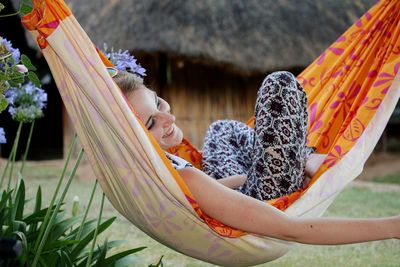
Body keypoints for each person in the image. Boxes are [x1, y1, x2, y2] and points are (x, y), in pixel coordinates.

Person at [111, 68, 400, 245]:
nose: (169, 116)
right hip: (265, 195)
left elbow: (198, 194)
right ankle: (302, 160)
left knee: (222, 129)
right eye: (151, 122)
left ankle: (300, 157)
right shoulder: (184, 177)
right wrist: (390, 227)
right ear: (133, 137)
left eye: (159, 101)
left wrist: (231, 180)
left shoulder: (159, 169)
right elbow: (293, 230)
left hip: (232, 185)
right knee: (280, 84)